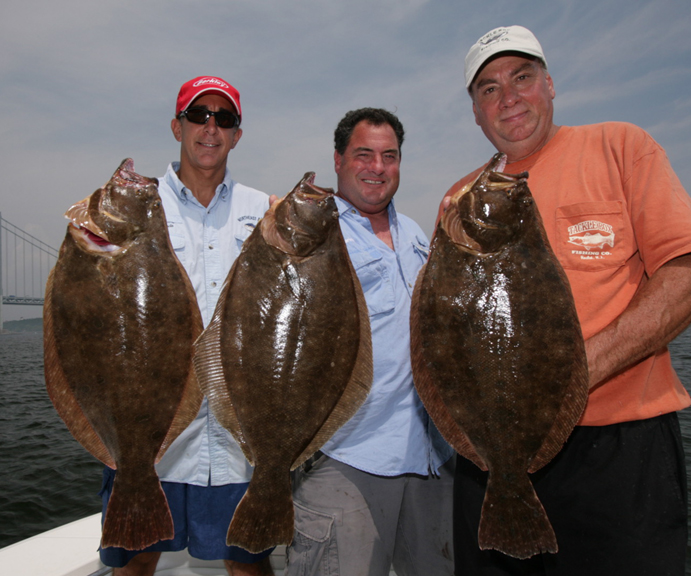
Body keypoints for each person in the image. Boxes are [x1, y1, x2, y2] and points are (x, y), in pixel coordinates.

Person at [442, 26, 691, 576]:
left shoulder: (620, 146)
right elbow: (442, 333)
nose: (509, 97)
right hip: (489, 456)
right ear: (476, 113)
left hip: (616, 449)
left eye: (522, 77)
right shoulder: (457, 200)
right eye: (489, 88)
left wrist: (573, 375)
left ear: (550, 85)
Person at [99, 76, 275, 576]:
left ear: (237, 135)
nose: (211, 127)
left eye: (225, 118)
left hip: (239, 437)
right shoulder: (132, 205)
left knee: (248, 564)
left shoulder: (266, 212)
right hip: (148, 436)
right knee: (135, 562)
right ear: (177, 126)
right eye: (199, 115)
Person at [284, 108, 455, 576]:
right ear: (338, 160)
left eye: (389, 156)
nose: (377, 167)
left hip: (431, 460)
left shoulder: (417, 235)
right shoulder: (310, 237)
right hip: (345, 459)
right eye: (363, 154)